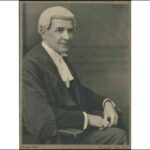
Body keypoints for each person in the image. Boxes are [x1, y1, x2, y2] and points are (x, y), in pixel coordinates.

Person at [22, 6, 127, 144]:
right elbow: (40, 117)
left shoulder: (59, 56)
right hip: (56, 136)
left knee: (119, 118)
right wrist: (87, 119)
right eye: (60, 30)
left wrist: (105, 102)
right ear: (43, 32)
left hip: (72, 128)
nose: (67, 37)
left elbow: (78, 92)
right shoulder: (30, 65)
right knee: (118, 136)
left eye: (70, 30)